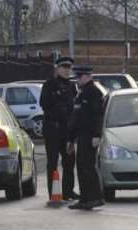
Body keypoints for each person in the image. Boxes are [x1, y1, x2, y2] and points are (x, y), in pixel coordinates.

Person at [67, 65, 105, 210]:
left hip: (90, 135)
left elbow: (97, 116)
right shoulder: (82, 93)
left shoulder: (94, 92)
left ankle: (95, 198)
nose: (77, 80)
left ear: (88, 76)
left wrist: (97, 134)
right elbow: (76, 118)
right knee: (82, 167)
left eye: (79, 77)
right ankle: (85, 198)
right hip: (82, 135)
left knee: (88, 167)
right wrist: (71, 139)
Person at [40, 57, 77, 200]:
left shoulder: (72, 86)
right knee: (53, 162)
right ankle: (53, 193)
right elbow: (44, 104)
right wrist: (60, 106)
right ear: (58, 69)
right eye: (64, 68)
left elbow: (73, 109)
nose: (67, 70)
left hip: (67, 130)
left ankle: (68, 192)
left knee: (69, 162)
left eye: (69, 68)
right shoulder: (49, 85)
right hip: (53, 129)